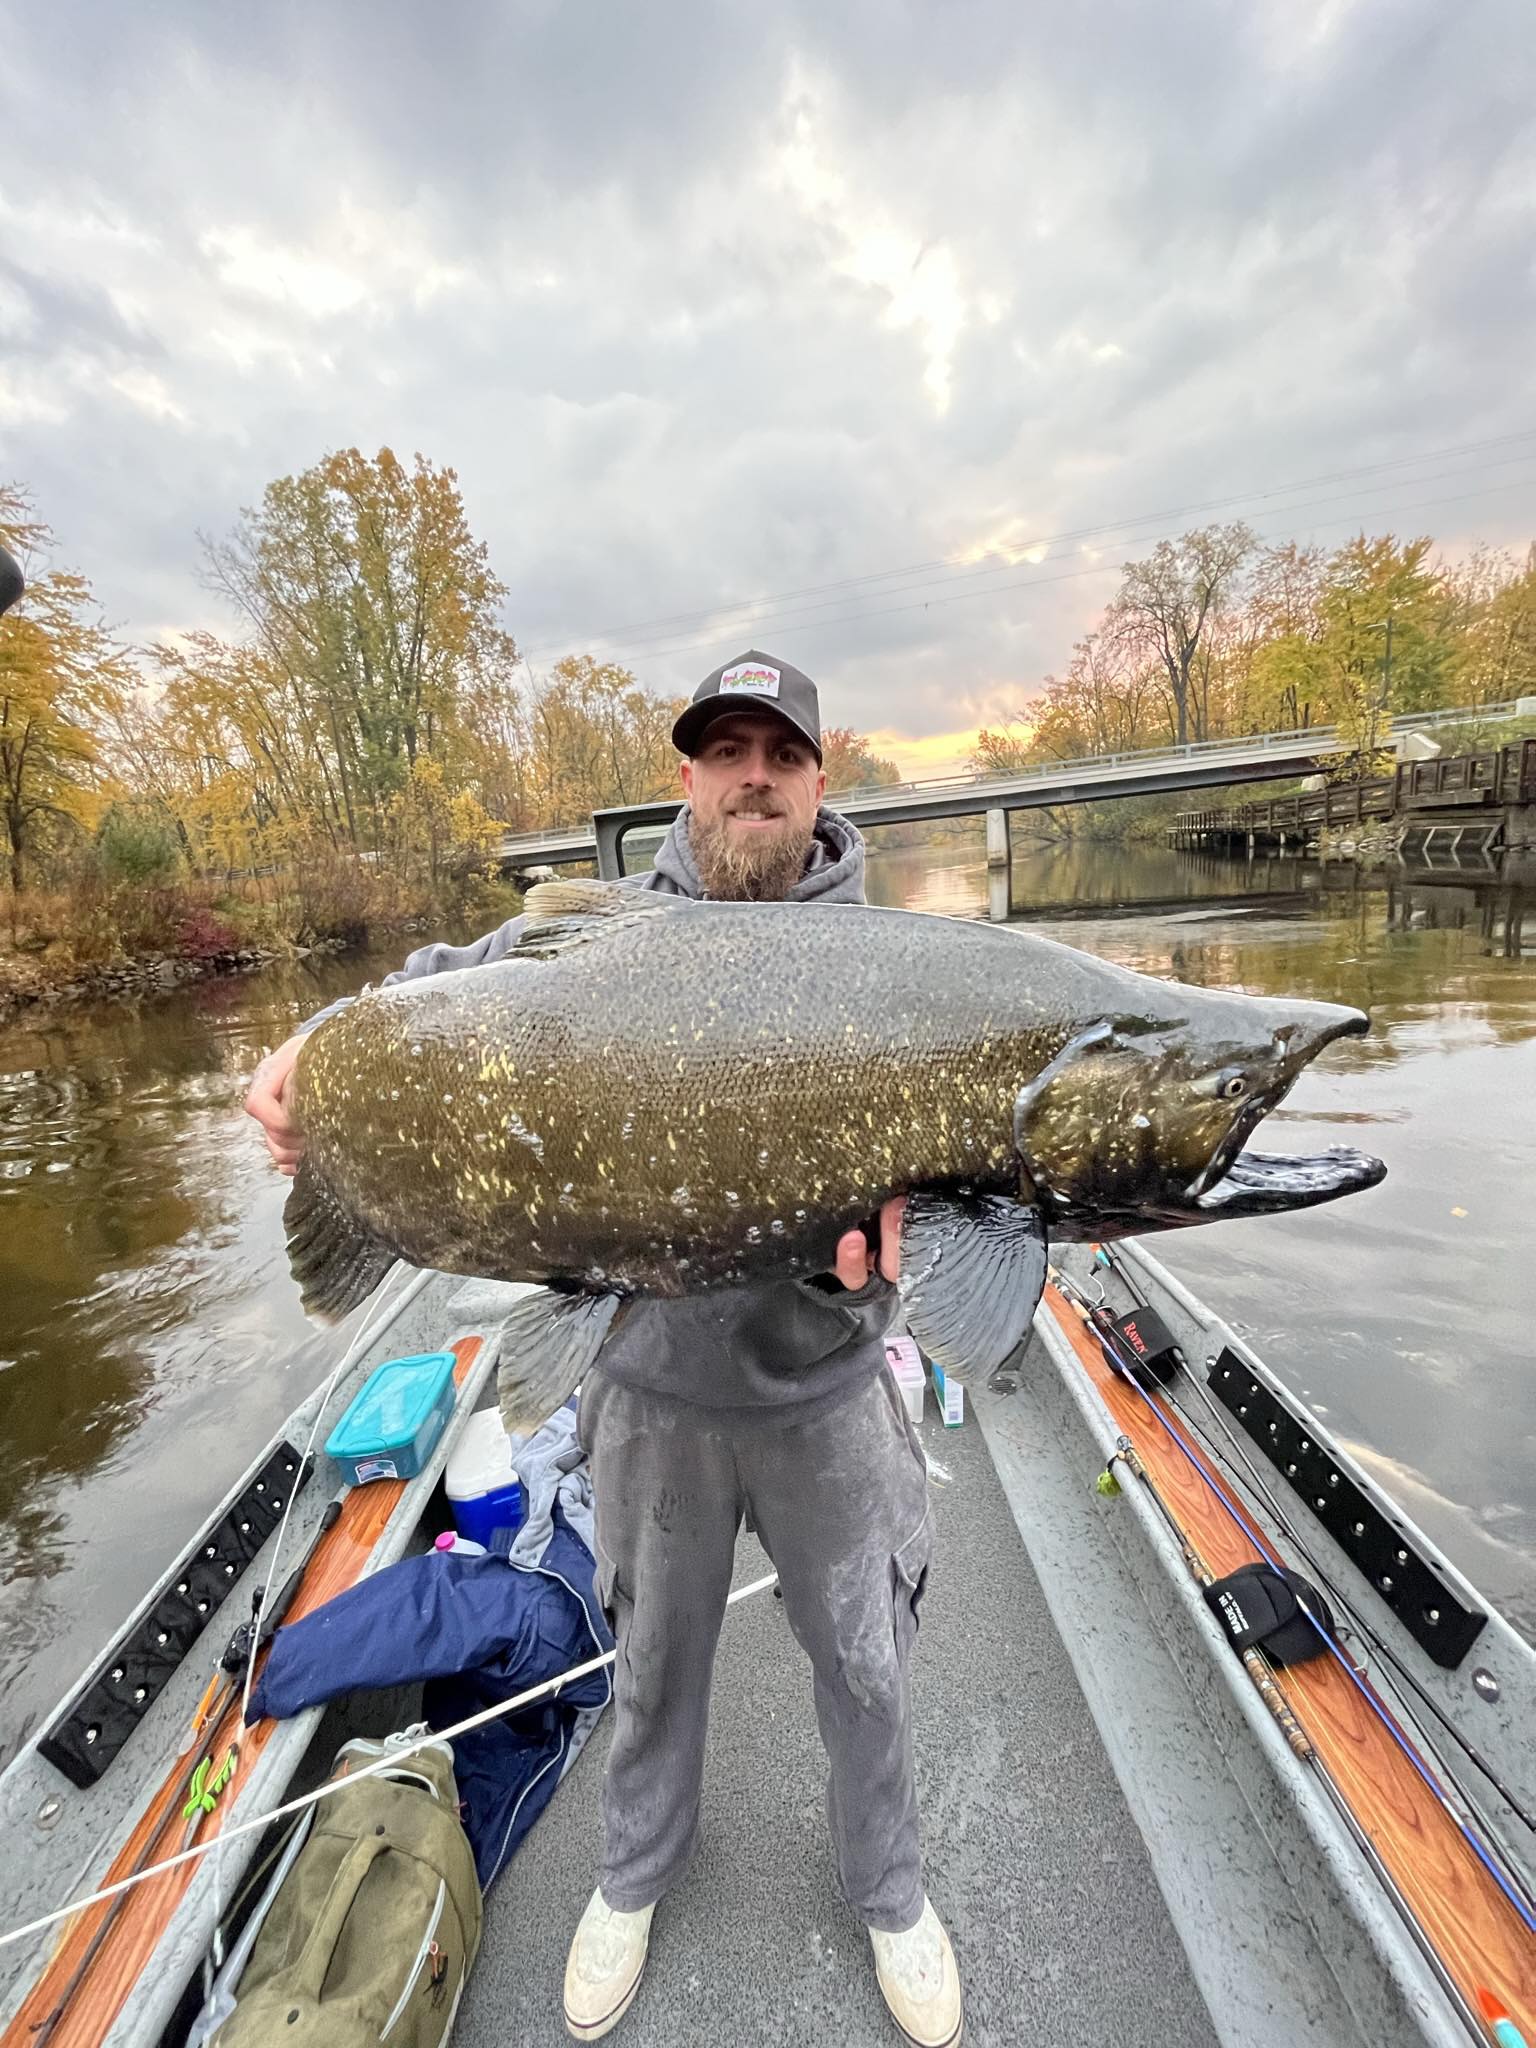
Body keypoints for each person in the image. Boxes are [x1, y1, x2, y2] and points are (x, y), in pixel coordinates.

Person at [245, 650, 963, 2048]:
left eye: (781, 754)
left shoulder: (906, 974)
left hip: (825, 1396)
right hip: (645, 1397)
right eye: (724, 752)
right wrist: (311, 1047)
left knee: (870, 1667)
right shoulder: (604, 932)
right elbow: (439, 981)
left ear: (822, 783)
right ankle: (630, 1880)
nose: (752, 777)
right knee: (649, 1670)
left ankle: (890, 1892)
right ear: (688, 779)